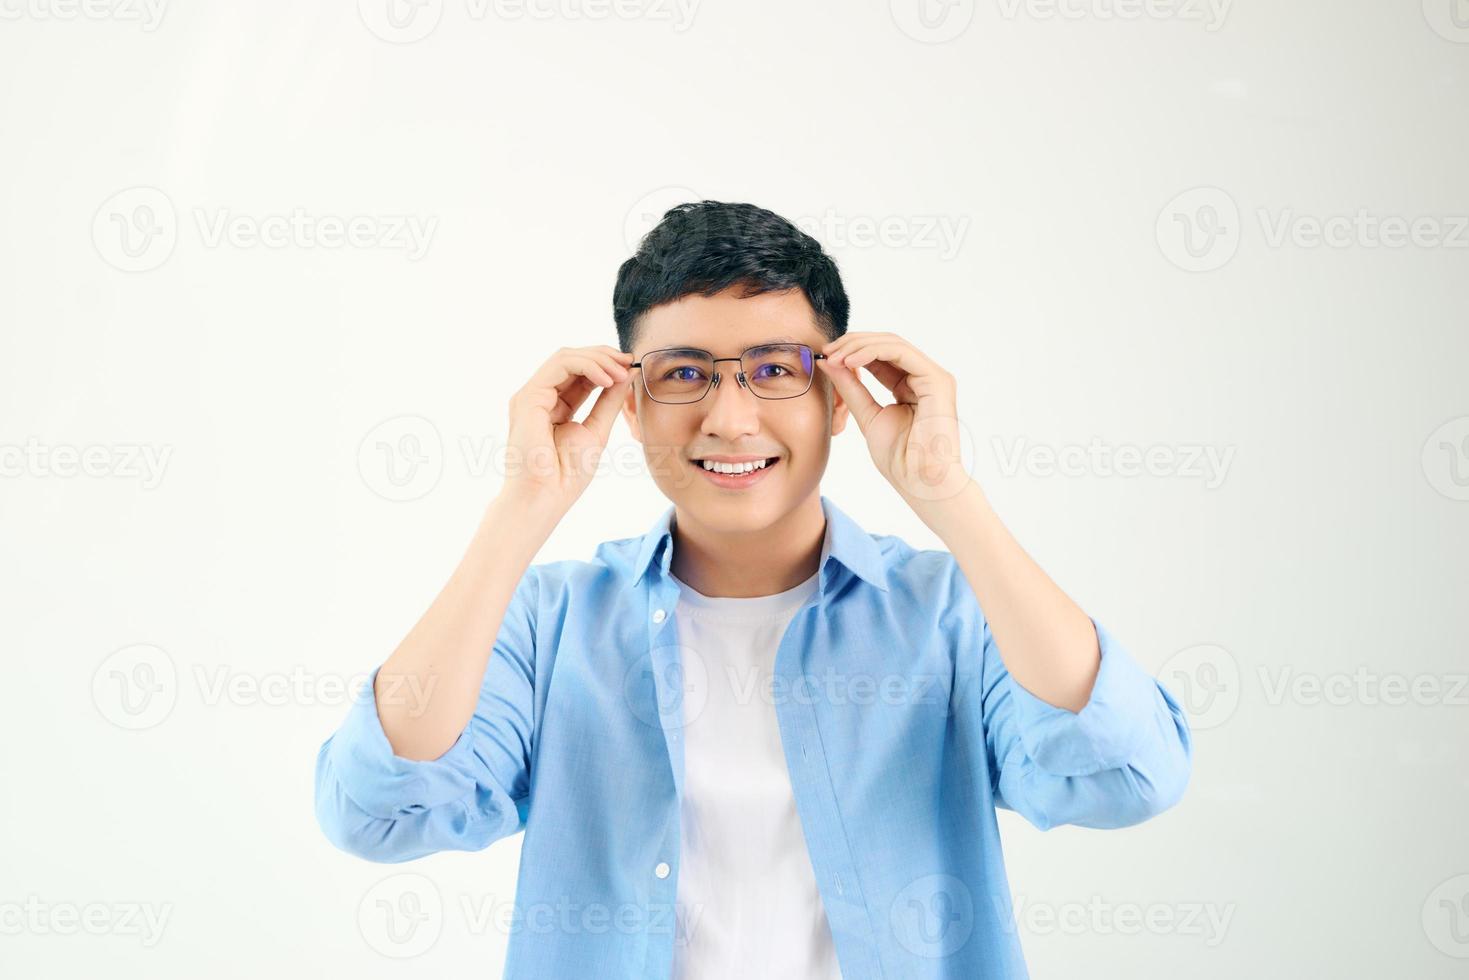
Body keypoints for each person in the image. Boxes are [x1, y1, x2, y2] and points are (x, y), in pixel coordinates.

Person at [314, 200, 1193, 979]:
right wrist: (521, 508)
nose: (730, 420)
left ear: (839, 396)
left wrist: (946, 495)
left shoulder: (949, 612)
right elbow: (380, 809)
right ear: (628, 403)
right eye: (684, 373)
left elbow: (1128, 776)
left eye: (776, 370)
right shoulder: (554, 621)